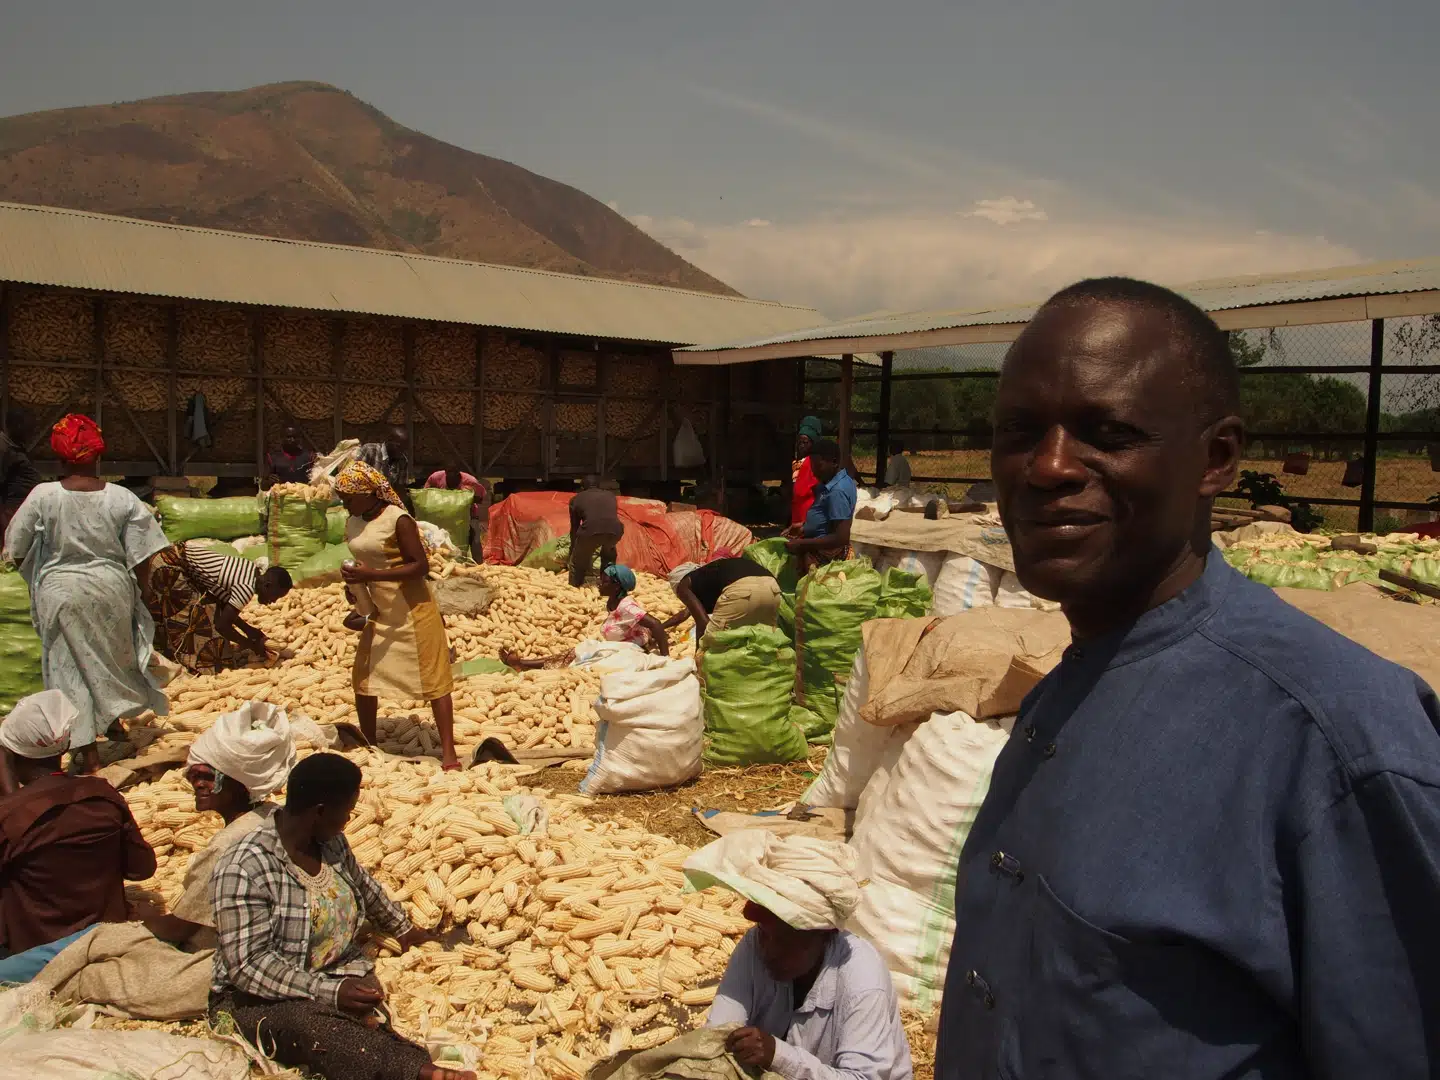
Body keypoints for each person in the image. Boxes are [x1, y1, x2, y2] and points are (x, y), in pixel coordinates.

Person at [936, 277, 1440, 1079]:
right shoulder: (1064, 693)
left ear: (1217, 459)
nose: (1048, 467)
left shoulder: (1335, 742)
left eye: (1108, 432)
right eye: (1019, 430)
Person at [211, 753, 473, 1080]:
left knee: (372, 1020)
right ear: (319, 812)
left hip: (333, 974)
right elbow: (248, 966)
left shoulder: (330, 843)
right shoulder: (244, 869)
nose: (348, 820)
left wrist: (404, 929)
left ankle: (404, 1062)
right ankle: (419, 1071)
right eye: (347, 812)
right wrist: (328, 992)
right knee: (311, 1026)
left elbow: (363, 885)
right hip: (257, 997)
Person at [2, 414, 171, 774]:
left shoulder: (43, 496)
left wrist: (41, 575)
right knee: (108, 659)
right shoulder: (122, 498)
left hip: (61, 591)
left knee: (68, 669)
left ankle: (88, 754)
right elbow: (143, 553)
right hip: (111, 587)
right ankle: (112, 727)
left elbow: (15, 548)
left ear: (60, 458)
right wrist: (139, 593)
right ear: (98, 456)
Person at [689, 830, 913, 1080]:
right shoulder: (755, 944)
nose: (769, 952)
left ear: (824, 935)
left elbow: (863, 1077)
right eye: (765, 934)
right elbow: (719, 1032)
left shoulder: (862, 980)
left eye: (786, 942)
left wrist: (778, 1055)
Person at [0, 691, 157, 983]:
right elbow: (142, 868)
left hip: (34, 955)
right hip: (101, 940)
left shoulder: (10, 816)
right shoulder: (103, 795)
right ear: (65, 749)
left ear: (12, 754)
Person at [131, 706, 297, 951]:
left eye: (209, 777)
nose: (198, 784)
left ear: (240, 783)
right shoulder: (274, 814)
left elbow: (178, 929)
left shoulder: (225, 847)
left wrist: (145, 916)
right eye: (193, 776)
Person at [335, 461, 460, 771]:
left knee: (435, 679)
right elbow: (361, 558)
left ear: (369, 493)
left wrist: (372, 574)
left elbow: (420, 566)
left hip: (413, 610)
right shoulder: (353, 521)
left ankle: (448, 753)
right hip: (379, 610)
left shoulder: (398, 520)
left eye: (348, 498)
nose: (344, 504)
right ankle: (368, 741)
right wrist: (354, 583)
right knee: (364, 677)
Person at [148, 540, 294, 674]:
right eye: (276, 596)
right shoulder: (246, 588)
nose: (274, 601)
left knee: (208, 610)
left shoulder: (250, 570)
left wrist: (250, 631)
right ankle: (184, 661)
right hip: (169, 565)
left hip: (168, 556)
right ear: (267, 586)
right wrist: (251, 645)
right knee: (194, 624)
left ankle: (166, 651)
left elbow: (223, 606)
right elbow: (222, 625)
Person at [502, 563, 667, 669]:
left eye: (605, 581)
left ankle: (522, 664)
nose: (599, 584)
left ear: (617, 586)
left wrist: (665, 658)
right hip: (618, 647)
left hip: (629, 651)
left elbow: (656, 624)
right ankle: (523, 663)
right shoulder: (613, 601)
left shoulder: (627, 607)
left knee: (579, 658)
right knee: (576, 653)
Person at [661, 558, 781, 645]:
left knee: (716, 643)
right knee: (763, 641)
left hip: (743, 589)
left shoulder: (683, 586)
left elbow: (703, 623)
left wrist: (699, 654)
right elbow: (685, 613)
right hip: (772, 586)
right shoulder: (707, 576)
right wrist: (661, 627)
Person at [785, 440, 856, 573]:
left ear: (834, 462)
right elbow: (828, 520)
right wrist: (804, 526)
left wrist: (802, 544)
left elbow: (841, 537)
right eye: (812, 466)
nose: (814, 471)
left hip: (827, 558)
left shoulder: (837, 492)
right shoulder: (834, 482)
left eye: (818, 466)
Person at [568, 474, 622, 588]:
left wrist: (573, 550)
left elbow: (575, 528)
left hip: (591, 531)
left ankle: (575, 586)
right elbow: (609, 519)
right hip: (615, 531)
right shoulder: (611, 495)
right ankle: (608, 584)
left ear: (582, 488)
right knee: (609, 556)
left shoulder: (576, 499)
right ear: (598, 486)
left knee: (578, 562)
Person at [424, 465, 486, 559]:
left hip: (469, 514)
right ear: (445, 473)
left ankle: (479, 564)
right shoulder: (436, 477)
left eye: (455, 475)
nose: (452, 478)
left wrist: (467, 496)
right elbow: (425, 493)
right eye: (449, 474)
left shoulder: (470, 481)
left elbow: (480, 498)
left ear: (459, 474)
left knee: (475, 539)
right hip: (443, 514)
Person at [0, 409, 40, 538]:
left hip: (18, 511)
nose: (32, 432)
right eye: (29, 427)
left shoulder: (14, 447)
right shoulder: (4, 448)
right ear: (16, 426)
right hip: (10, 512)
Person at [356, 426, 413, 513]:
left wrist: (403, 509)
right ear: (389, 440)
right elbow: (354, 478)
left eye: (404, 448)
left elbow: (399, 488)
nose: (401, 451)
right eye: (399, 446)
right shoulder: (370, 450)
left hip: (385, 506)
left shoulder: (403, 460)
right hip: (363, 502)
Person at [789, 417, 823, 532]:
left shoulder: (815, 463)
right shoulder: (797, 462)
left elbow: (819, 493)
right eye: (800, 442)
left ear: (813, 443)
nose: (801, 445)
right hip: (796, 513)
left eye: (805, 442)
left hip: (808, 516)